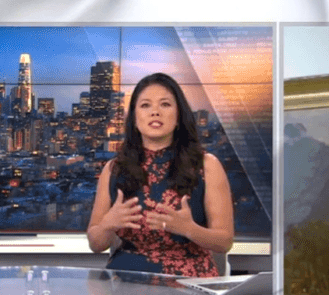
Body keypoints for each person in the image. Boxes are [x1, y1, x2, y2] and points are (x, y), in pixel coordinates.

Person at [87, 72, 234, 277]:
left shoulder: (207, 166)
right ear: (134, 118)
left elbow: (225, 242)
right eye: (145, 105)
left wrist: (188, 229)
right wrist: (107, 224)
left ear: (178, 116)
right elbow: (96, 244)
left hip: (189, 283)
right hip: (126, 282)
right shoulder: (114, 169)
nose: (155, 112)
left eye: (165, 104)